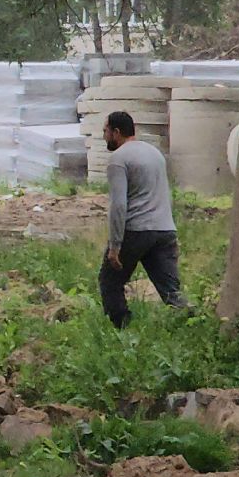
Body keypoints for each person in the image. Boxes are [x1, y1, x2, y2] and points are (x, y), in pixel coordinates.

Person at [99, 109, 188, 327]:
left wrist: (115, 246)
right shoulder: (155, 154)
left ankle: (122, 330)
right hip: (165, 229)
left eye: (105, 131)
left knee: (110, 281)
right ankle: (193, 324)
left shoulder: (118, 159)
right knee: (171, 291)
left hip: (136, 230)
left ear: (116, 132)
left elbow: (119, 205)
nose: (104, 137)